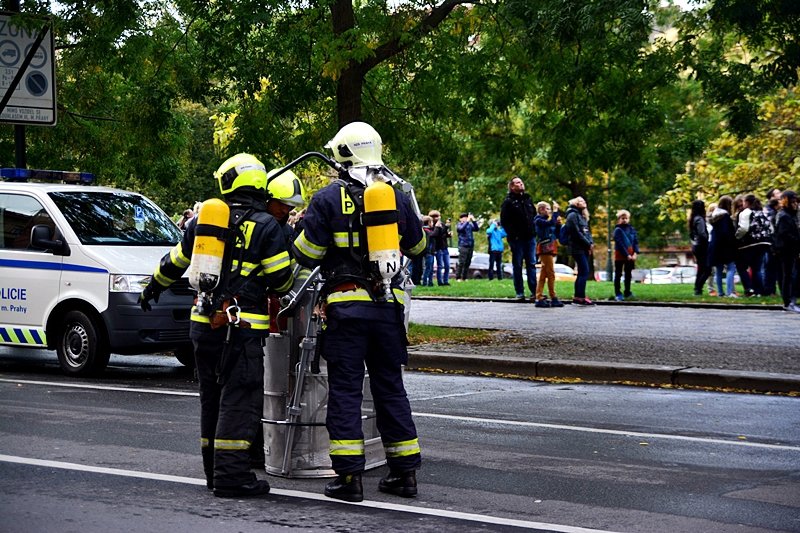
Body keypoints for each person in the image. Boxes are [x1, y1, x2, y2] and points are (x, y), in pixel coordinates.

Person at [139, 153, 294, 498]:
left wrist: (153, 288)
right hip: (240, 328)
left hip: (202, 325)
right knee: (239, 398)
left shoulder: (204, 221)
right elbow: (282, 281)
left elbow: (176, 262)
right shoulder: (267, 226)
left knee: (211, 398)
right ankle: (231, 476)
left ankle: (213, 472)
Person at [292, 121, 426, 502]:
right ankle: (405, 474)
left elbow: (306, 254)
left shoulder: (328, 198)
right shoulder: (395, 196)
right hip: (388, 309)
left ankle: (349, 479)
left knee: (347, 391)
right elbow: (418, 249)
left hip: (347, 308)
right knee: (390, 389)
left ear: (342, 154)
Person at [500, 176, 537, 300]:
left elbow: (534, 216)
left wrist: (534, 230)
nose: (520, 184)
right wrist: (513, 235)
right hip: (517, 239)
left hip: (530, 237)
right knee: (518, 265)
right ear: (512, 186)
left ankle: (534, 291)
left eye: (521, 182)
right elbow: (504, 221)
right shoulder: (508, 202)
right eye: (517, 183)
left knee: (531, 264)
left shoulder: (528, 199)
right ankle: (519, 292)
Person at [734, 194, 772, 296]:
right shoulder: (762, 212)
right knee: (756, 268)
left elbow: (744, 228)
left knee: (741, 267)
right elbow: (770, 227)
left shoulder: (746, 212)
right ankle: (759, 291)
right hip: (763, 242)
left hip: (749, 243)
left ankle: (749, 289)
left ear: (746, 202)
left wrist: (737, 236)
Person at [563, 196, 594, 305]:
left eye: (584, 200)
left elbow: (586, 232)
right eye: (580, 201)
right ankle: (580, 297)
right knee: (584, 272)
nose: (583, 202)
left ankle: (579, 296)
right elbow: (576, 233)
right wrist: (587, 243)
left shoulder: (582, 216)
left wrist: (590, 243)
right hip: (577, 248)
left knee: (582, 272)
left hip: (584, 247)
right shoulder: (572, 215)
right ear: (575, 203)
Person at [532, 201, 563, 307]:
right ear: (541, 210)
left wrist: (558, 225)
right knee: (551, 273)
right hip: (545, 248)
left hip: (551, 247)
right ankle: (553, 296)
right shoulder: (538, 220)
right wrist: (555, 213)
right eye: (548, 209)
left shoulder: (547, 221)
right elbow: (549, 224)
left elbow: (556, 233)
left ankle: (539, 296)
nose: (550, 211)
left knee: (544, 274)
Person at [773, 190, 800, 312]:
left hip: (790, 249)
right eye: (793, 201)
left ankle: (790, 300)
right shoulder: (784, 215)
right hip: (786, 249)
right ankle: (787, 301)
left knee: (789, 275)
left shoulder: (789, 214)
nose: (795, 204)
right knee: (788, 275)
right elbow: (785, 234)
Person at [708, 195, 738, 297]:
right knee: (731, 268)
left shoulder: (715, 217)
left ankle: (720, 292)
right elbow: (727, 232)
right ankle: (730, 292)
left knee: (719, 270)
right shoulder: (725, 217)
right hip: (725, 246)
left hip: (715, 246)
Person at [612, 209, 640, 301]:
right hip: (620, 255)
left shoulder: (632, 229)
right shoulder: (617, 230)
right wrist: (627, 254)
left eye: (626, 218)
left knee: (628, 274)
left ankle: (627, 291)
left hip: (631, 254)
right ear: (619, 219)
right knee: (618, 274)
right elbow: (619, 243)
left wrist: (635, 253)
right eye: (622, 218)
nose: (624, 220)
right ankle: (618, 293)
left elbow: (635, 242)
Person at [689, 199, 712, 296]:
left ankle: (697, 288)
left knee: (701, 269)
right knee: (707, 269)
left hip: (696, 246)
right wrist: (707, 241)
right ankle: (698, 287)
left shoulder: (693, 219)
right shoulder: (700, 219)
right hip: (702, 246)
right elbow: (702, 233)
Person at [455, 212, 479, 281]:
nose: (465, 219)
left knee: (468, 262)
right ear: (460, 219)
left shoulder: (469, 225)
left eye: (466, 217)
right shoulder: (459, 225)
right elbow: (461, 229)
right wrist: (467, 221)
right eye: (464, 217)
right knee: (462, 262)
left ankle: (464, 277)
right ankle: (458, 277)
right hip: (463, 245)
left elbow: (477, 229)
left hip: (470, 245)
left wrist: (473, 220)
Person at [430, 210, 451, 286]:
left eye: (437, 216)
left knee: (447, 265)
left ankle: (446, 280)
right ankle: (440, 281)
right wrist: (446, 227)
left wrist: (448, 234)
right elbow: (438, 234)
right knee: (440, 265)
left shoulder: (441, 224)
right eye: (434, 216)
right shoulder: (433, 226)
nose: (437, 218)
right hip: (438, 248)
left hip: (444, 247)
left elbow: (443, 234)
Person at [421, 215, 436, 286]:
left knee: (430, 268)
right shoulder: (426, 231)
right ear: (429, 222)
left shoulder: (427, 230)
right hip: (428, 252)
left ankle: (430, 282)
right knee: (428, 268)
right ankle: (425, 282)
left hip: (431, 252)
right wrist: (437, 227)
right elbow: (432, 235)